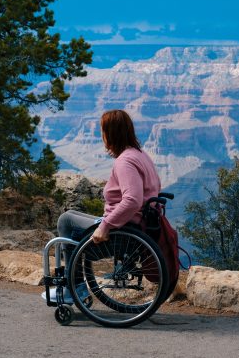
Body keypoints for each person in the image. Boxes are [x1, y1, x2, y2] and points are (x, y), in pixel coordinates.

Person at [43, 109, 162, 303]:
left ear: (111, 134)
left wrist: (105, 226)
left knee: (66, 220)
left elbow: (132, 200)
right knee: (72, 214)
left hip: (123, 231)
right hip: (136, 225)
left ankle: (74, 287)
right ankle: (75, 285)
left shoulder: (125, 162)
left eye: (102, 131)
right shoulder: (141, 155)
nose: (101, 136)